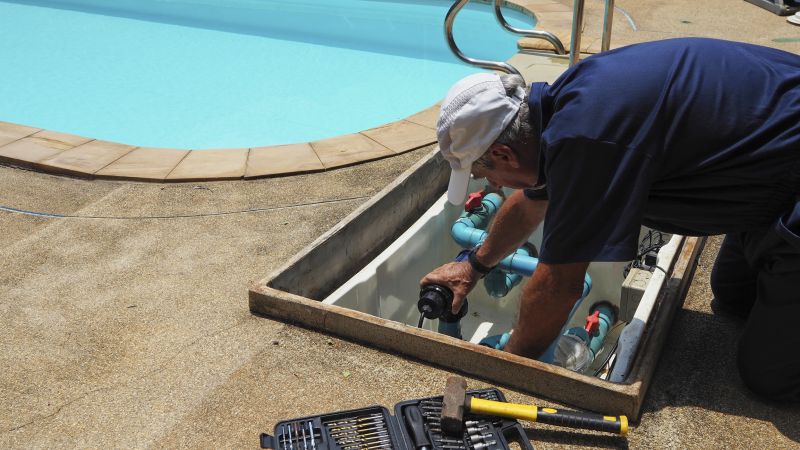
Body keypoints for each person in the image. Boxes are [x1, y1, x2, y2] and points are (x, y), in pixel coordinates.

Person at [421, 37, 800, 402]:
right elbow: (532, 201)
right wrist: (474, 265)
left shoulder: (588, 141)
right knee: (734, 295)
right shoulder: (569, 105)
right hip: (773, 166)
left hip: (788, 182)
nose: (491, 184)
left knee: (769, 378)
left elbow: (559, 287)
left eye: (486, 174)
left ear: (504, 154)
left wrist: (507, 369)